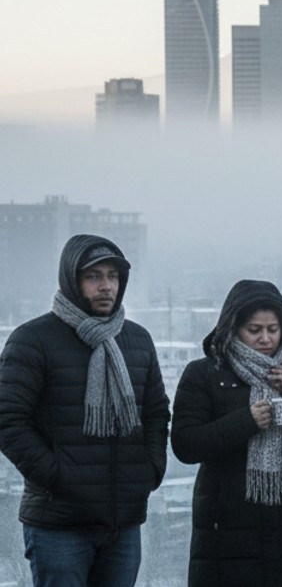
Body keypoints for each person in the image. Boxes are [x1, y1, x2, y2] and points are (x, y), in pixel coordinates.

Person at [0, 234, 170, 587]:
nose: (106, 286)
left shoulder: (137, 340)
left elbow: (156, 413)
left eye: (113, 276)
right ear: (72, 280)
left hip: (123, 523)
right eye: (93, 276)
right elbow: (7, 419)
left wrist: (150, 470)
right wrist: (56, 477)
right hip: (59, 523)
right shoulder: (33, 340)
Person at [170, 280, 282, 587]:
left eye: (273, 329)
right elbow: (185, 444)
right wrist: (246, 421)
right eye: (254, 330)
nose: (265, 339)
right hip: (226, 531)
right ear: (233, 328)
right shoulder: (204, 373)